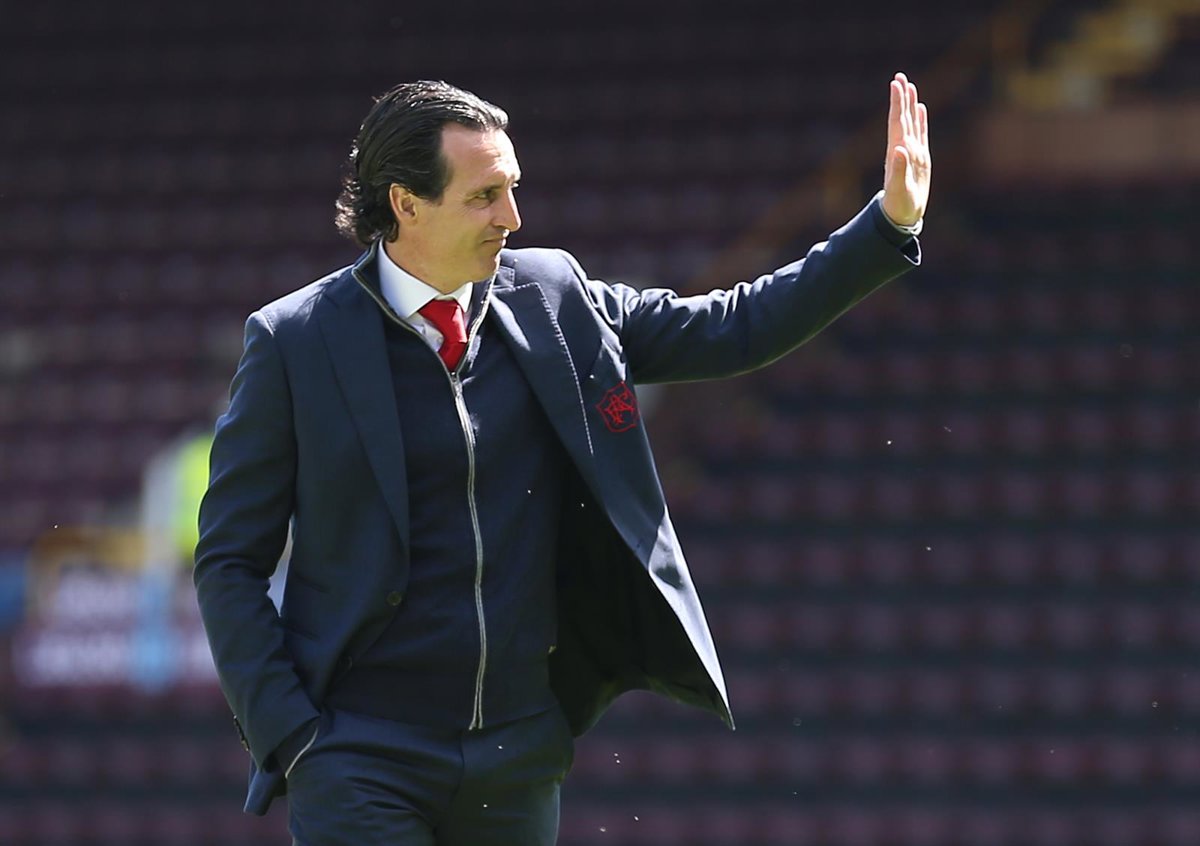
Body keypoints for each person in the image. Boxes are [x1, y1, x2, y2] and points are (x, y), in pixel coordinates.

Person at [193, 74, 930, 845]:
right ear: (406, 204)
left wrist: (887, 225)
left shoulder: (555, 297)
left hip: (517, 755)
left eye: (512, 188)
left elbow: (736, 328)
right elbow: (229, 561)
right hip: (359, 756)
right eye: (485, 196)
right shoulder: (293, 342)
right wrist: (293, 736)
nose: (512, 217)